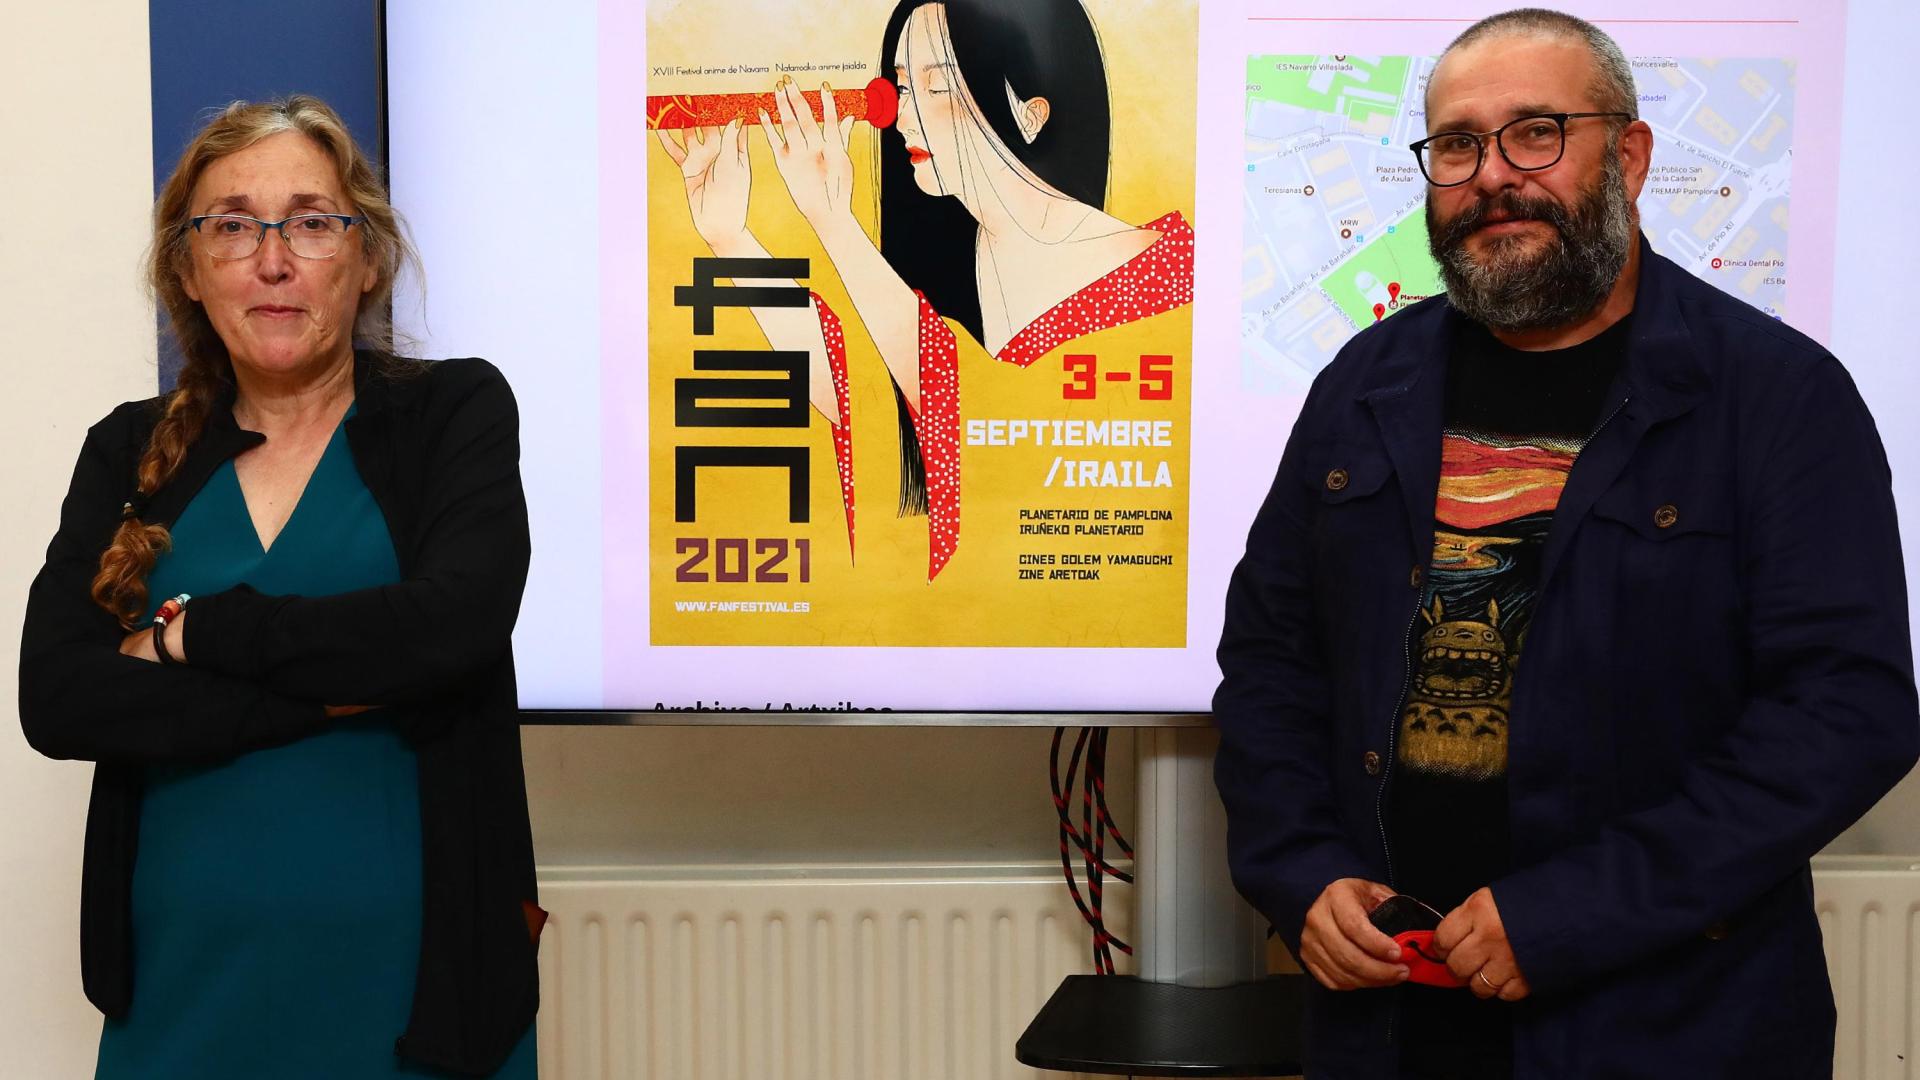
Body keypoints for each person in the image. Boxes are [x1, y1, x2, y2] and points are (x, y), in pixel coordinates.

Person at [1212, 9, 1918, 1079]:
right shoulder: (1364, 387)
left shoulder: (1775, 398)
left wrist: (1575, 912)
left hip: (1670, 1022)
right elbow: (1271, 659)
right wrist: (1298, 871)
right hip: (1392, 1018)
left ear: (1628, 156)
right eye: (1457, 145)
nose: (1492, 175)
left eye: (1536, 132)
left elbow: (1846, 712)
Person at [18, 96, 539, 1077]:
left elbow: (454, 628)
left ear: (368, 257)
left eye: (309, 221)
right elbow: (57, 696)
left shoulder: (453, 414)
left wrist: (195, 635)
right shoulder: (128, 450)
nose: (272, 259)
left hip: (421, 1002)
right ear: (187, 267)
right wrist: (350, 681)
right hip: (181, 995)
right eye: (232, 226)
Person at [657, 0, 1194, 579]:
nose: (902, 116)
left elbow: (969, 407)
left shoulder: (1160, 274)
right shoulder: (949, 263)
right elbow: (861, 387)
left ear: (1030, 114)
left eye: (938, 88)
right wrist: (731, 237)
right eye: (903, 86)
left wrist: (835, 223)